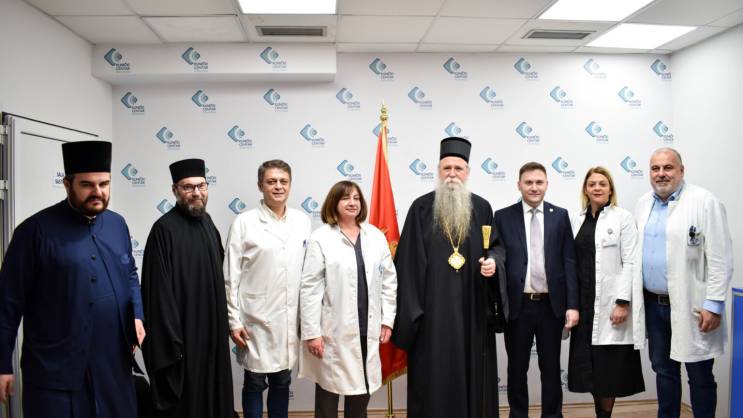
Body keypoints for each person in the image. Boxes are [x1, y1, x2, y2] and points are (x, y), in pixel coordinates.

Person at [0, 141, 145, 417]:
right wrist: (2, 364)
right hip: (55, 373)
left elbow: (130, 273)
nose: (98, 192)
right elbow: (7, 303)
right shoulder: (33, 232)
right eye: (87, 185)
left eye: (104, 184)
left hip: (112, 368)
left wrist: (136, 314)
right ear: (67, 184)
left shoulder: (117, 224)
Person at [392, 137, 506, 418]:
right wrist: (414, 316)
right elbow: (407, 266)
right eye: (447, 168)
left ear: (467, 173)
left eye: (458, 168)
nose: (452, 174)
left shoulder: (482, 208)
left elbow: (497, 248)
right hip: (432, 318)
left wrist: (493, 262)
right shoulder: (420, 209)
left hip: (473, 314)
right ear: (438, 171)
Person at [636, 148, 732, 418]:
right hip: (654, 304)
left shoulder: (704, 202)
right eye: (655, 168)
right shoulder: (643, 204)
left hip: (694, 306)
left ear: (681, 170)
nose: (661, 174)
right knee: (664, 371)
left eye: (668, 167)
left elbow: (721, 257)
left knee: (699, 374)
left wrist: (713, 304)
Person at [141, 158, 233, 418]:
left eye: (201, 186)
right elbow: (157, 294)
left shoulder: (208, 223)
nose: (196, 193)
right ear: (175, 190)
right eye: (188, 187)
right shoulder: (163, 230)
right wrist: (172, 340)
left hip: (213, 333)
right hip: (184, 337)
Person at [299, 181, 397, 418]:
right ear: (334, 203)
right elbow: (310, 288)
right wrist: (312, 332)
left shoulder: (375, 236)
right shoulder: (321, 238)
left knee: (360, 394)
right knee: (328, 394)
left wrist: (387, 320)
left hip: (368, 328)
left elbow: (389, 281)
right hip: (333, 331)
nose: (352, 202)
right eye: (345, 198)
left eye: (356, 198)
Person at [224, 160, 311, 418]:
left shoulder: (302, 221)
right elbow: (230, 277)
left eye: (283, 181)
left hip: (289, 318)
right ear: (260, 185)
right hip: (254, 318)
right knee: (254, 381)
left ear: (290, 185)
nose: (278, 186)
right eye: (271, 181)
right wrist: (233, 320)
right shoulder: (244, 222)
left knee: (282, 380)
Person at [494, 161, 579, 418]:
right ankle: (518, 414)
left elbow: (569, 261)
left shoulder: (560, 216)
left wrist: (572, 305)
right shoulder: (502, 217)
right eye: (528, 182)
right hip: (517, 306)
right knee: (516, 369)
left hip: (551, 306)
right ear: (519, 185)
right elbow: (498, 257)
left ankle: (552, 415)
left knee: (551, 368)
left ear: (546, 185)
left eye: (539, 182)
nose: (534, 187)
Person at [567, 167, 645, 417]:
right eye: (592, 184)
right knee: (590, 369)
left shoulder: (623, 217)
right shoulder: (576, 219)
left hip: (611, 303)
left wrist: (623, 302)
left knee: (608, 370)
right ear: (585, 189)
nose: (597, 188)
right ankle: (598, 412)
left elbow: (631, 262)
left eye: (602, 183)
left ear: (610, 189)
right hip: (584, 305)